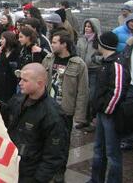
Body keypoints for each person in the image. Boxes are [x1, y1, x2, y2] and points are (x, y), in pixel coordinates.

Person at [0, 63, 69, 182]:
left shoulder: (53, 115)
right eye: (20, 79)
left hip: (30, 174)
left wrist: (39, 179)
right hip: (11, 166)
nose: (20, 83)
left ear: (39, 83)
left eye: (25, 80)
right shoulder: (18, 99)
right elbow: (9, 115)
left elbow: (54, 155)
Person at [42, 31, 89, 181]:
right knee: (44, 140)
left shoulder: (78, 64)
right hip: (47, 107)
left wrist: (79, 117)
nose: (52, 45)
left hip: (65, 111)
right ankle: (45, 168)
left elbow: (83, 92)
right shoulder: (48, 59)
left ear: (64, 44)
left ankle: (59, 171)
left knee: (62, 143)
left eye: (55, 42)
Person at [89, 32, 127, 183]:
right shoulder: (106, 62)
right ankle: (96, 179)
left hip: (110, 114)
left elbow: (117, 91)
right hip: (102, 112)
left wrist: (106, 110)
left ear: (103, 44)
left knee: (112, 153)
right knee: (99, 149)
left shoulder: (116, 63)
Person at [76, 18, 102, 132]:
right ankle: (84, 119)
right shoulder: (81, 40)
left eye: (89, 26)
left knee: (92, 96)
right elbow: (77, 53)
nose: (87, 28)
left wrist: (94, 59)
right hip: (83, 70)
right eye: (86, 26)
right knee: (84, 95)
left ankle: (93, 119)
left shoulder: (99, 40)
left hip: (94, 71)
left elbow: (104, 56)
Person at [0, 31, 19, 103]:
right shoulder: (1, 52)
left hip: (10, 85)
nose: (0, 41)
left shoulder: (16, 52)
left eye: (2, 39)